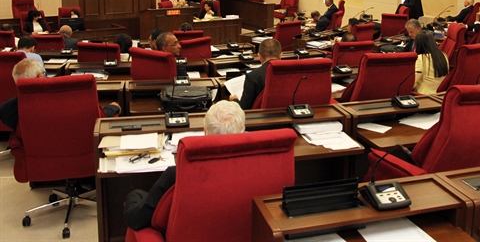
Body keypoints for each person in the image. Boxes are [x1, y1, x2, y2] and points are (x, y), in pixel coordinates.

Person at [123, 100, 246, 231]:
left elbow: (137, 219)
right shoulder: (253, 170)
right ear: (243, 132)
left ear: (205, 131)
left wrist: (132, 196)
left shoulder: (177, 174)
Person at [0, 58, 120, 131]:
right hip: (83, 155)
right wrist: (114, 107)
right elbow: (97, 118)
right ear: (40, 77)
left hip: (37, 160)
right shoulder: (69, 97)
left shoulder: (9, 110)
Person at [229, 39, 282, 110]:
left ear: (259, 56)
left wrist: (234, 100)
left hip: (261, 116)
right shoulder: (291, 73)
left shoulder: (253, 76)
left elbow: (245, 108)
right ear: (281, 55)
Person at [413, 30, 449, 94]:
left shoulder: (420, 58)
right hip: (440, 94)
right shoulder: (444, 55)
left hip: (423, 94)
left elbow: (414, 82)